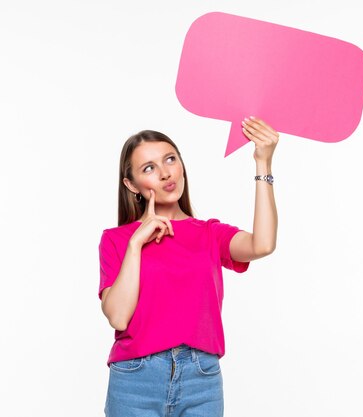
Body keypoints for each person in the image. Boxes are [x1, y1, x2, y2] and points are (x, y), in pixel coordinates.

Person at [98, 117, 279, 417]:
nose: (165, 173)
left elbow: (263, 244)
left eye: (170, 159)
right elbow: (118, 316)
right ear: (131, 185)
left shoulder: (209, 233)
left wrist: (264, 164)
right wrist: (136, 244)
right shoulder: (117, 241)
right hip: (136, 380)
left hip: (201, 379)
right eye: (149, 168)